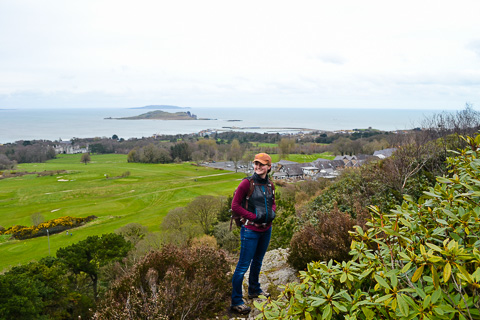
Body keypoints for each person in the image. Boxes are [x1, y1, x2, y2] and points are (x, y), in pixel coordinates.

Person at [230, 153, 276, 315]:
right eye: (256, 164)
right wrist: (253, 217)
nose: (258, 167)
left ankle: (254, 289)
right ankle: (236, 301)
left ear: (269, 167)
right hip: (250, 230)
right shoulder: (246, 183)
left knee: (258, 261)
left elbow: (272, 202)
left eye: (262, 164)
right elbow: (235, 206)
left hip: (266, 229)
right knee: (243, 266)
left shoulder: (270, 185)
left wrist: (272, 213)